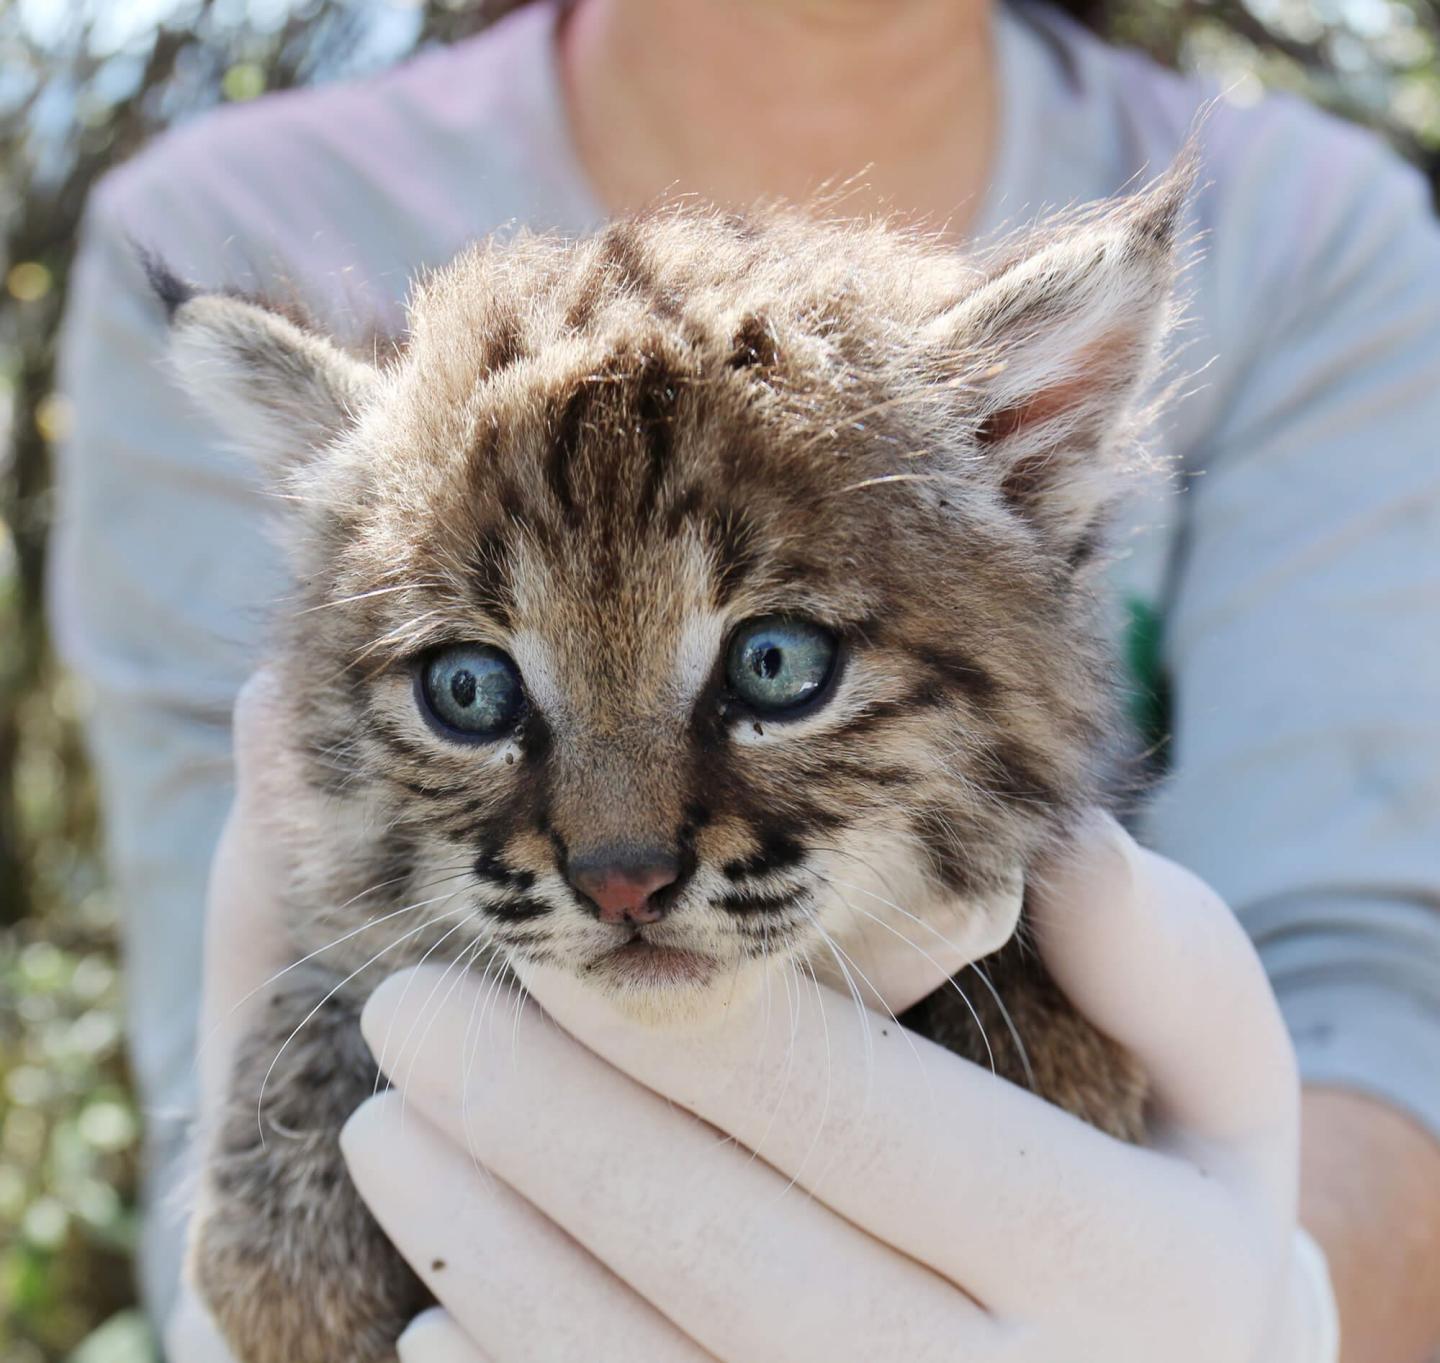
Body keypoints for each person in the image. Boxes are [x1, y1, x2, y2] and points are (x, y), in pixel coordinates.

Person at [50, 0, 1440, 1358]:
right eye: (475, 691)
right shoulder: (222, 207)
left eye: (773, 667)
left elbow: (1374, 993)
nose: (619, 850)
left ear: (1031, 457)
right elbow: (228, 1030)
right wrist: (282, 1164)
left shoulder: (1315, 234)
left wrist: (1274, 1315)